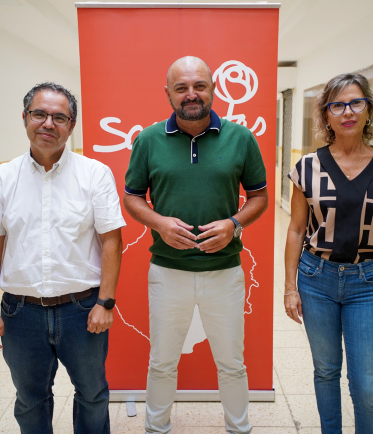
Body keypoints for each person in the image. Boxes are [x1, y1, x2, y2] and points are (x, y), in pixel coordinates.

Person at [123, 56, 268, 434]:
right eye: (182, 87)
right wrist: (159, 223)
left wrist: (234, 224)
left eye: (199, 86)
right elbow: (132, 197)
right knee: (162, 362)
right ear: (168, 93)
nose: (191, 94)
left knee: (232, 363)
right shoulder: (148, 140)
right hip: (167, 272)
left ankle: (239, 429)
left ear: (213, 89)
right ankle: (157, 429)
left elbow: (259, 197)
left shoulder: (241, 138)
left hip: (224, 272)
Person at [0, 82, 125, 434]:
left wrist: (105, 303)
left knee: (92, 394)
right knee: (30, 399)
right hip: (20, 313)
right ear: (25, 118)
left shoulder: (94, 174)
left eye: (59, 117)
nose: (48, 123)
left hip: (82, 311)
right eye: (39, 114)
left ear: (72, 125)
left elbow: (111, 241)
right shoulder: (2, 178)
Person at [284, 73, 373, 434]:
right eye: (337, 105)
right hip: (316, 279)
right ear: (326, 115)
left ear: (369, 109)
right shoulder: (307, 167)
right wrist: (290, 287)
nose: (348, 112)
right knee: (326, 371)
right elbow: (296, 229)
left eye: (356, 102)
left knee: (367, 387)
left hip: (367, 282)